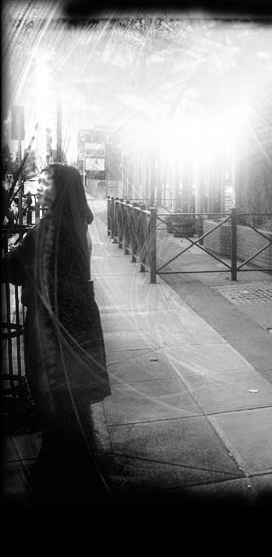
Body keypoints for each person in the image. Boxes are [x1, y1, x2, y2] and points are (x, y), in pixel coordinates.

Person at [1, 163, 111, 502]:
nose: (39, 190)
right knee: (72, 398)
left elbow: (14, 269)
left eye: (45, 184)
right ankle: (75, 463)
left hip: (53, 325)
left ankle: (62, 469)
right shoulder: (76, 222)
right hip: (78, 319)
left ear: (59, 190)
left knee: (55, 397)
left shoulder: (49, 229)